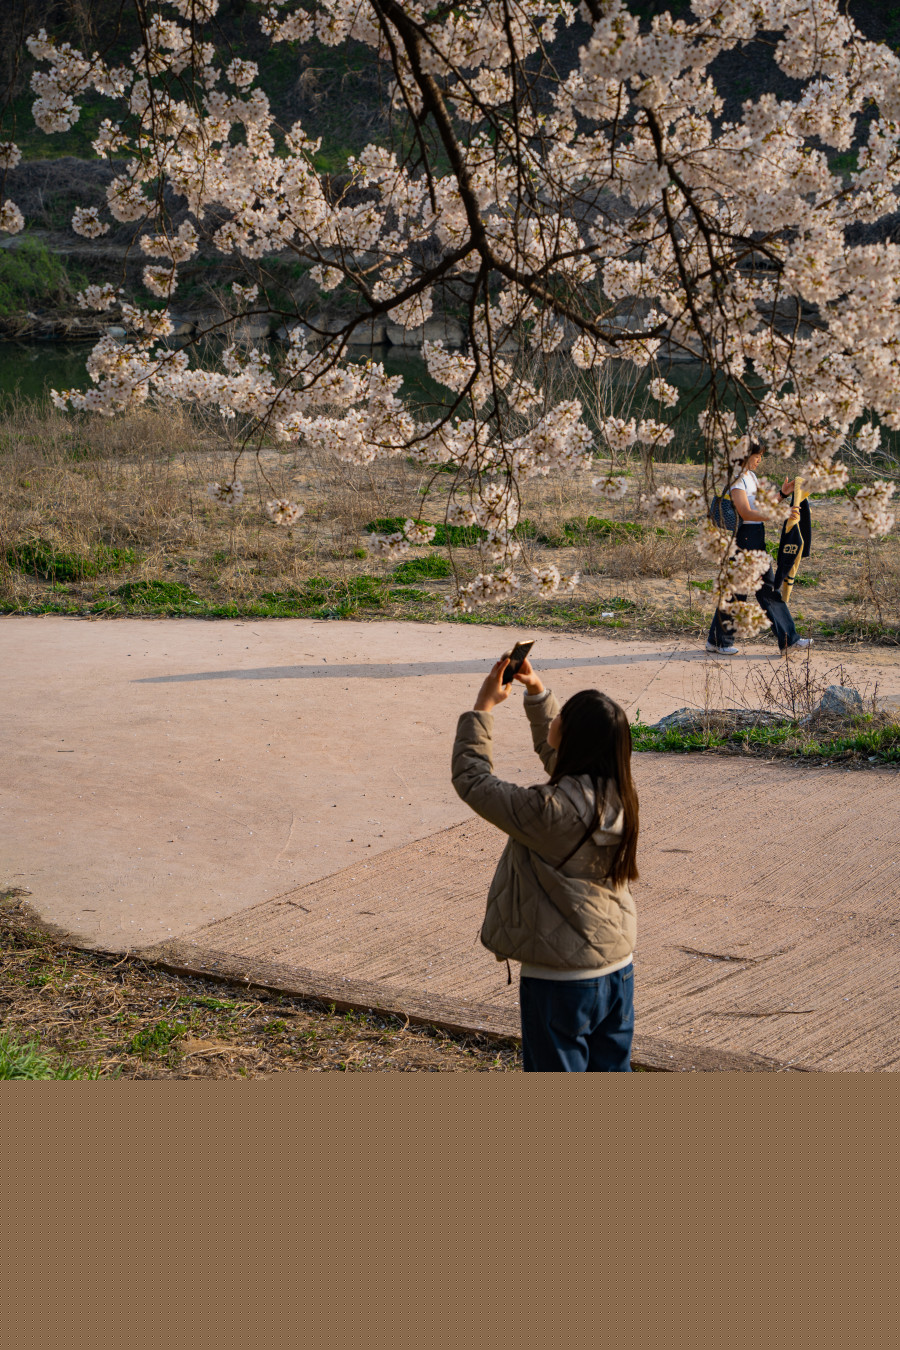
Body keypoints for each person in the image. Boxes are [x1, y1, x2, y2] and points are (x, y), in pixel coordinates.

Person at [451, 654, 639, 1072]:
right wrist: (536, 692)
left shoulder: (548, 812)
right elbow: (559, 757)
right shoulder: (616, 792)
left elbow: (473, 780)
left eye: (562, 716)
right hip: (617, 971)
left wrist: (482, 708)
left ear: (570, 735)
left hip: (561, 982)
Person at [706, 444, 813, 656]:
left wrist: (783, 494)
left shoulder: (751, 477)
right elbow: (746, 513)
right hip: (745, 538)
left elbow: (761, 507)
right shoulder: (738, 480)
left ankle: (718, 641)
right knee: (754, 590)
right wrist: (780, 514)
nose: (759, 460)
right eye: (757, 456)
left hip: (755, 537)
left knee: (748, 591)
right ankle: (787, 640)